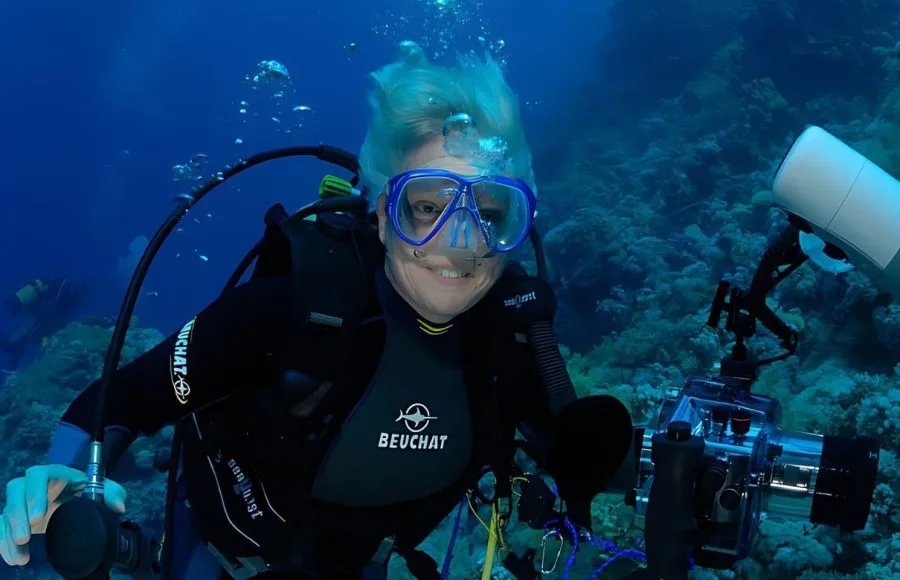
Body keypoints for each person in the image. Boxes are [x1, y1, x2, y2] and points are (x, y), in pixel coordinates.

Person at [0, 42, 633, 579]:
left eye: (491, 214)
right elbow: (125, 396)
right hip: (225, 559)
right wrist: (64, 472)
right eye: (428, 207)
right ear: (383, 215)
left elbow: (574, 452)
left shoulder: (510, 338)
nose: (461, 244)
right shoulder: (293, 310)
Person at [1, 277, 85, 368]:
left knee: (36, 333)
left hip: (45, 314)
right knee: (36, 332)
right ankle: (14, 347)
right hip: (45, 312)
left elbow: (43, 330)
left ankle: (14, 348)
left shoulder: (54, 297)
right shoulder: (58, 294)